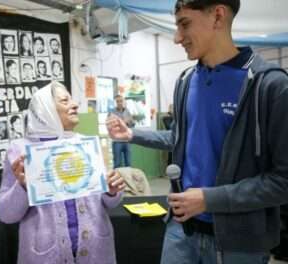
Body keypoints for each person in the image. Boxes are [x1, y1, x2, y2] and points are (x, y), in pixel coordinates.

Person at [106, 1, 288, 263]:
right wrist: (132, 134)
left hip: (240, 243)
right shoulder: (186, 82)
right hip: (181, 230)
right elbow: (182, 139)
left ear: (217, 16)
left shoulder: (271, 86)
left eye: (185, 24)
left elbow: (283, 181)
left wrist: (209, 200)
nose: (177, 37)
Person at [0, 81, 125, 264]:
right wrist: (23, 187)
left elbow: (110, 202)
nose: (75, 105)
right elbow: (6, 215)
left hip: (96, 251)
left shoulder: (87, 145)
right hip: (45, 255)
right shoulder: (21, 151)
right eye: (65, 101)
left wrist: (111, 191)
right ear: (45, 109)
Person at [109, 95, 133, 168]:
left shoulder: (127, 111)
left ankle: (128, 179)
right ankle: (117, 179)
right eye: (117, 101)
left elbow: (132, 123)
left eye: (121, 101)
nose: (119, 103)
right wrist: (123, 122)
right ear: (115, 103)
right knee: (117, 163)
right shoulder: (112, 112)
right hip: (117, 141)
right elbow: (111, 125)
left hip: (127, 141)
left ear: (123, 101)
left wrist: (129, 122)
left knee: (128, 163)